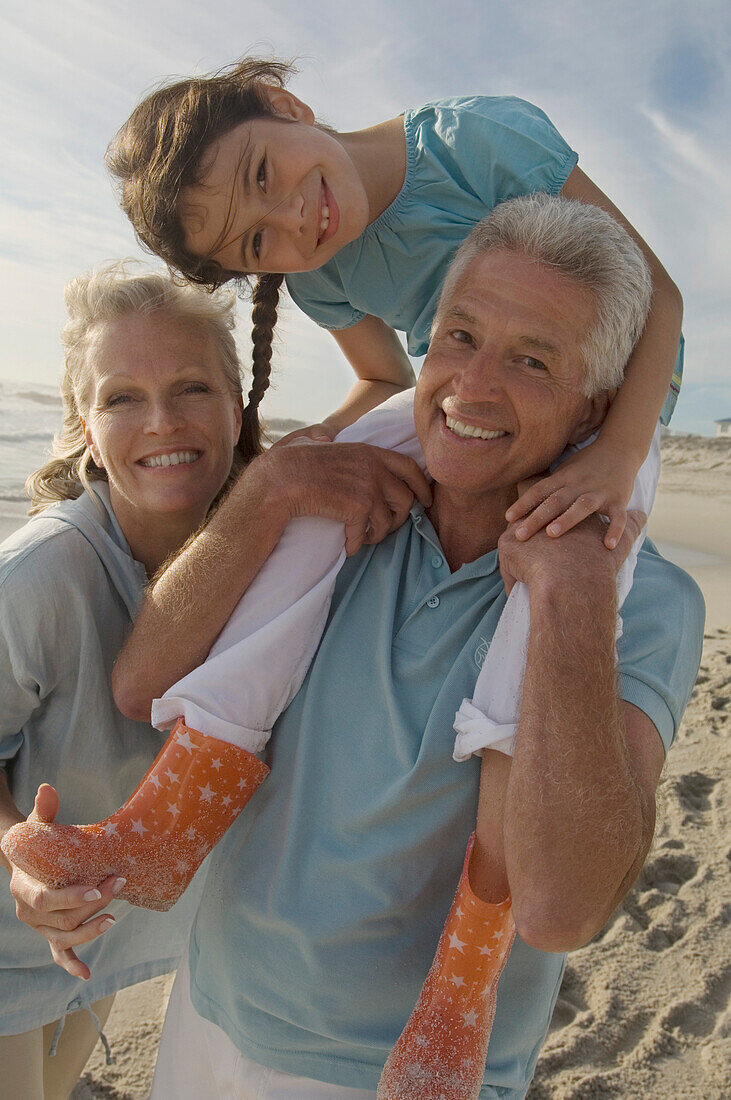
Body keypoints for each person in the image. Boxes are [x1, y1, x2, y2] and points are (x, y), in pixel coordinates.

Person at [133, 196, 701, 1099]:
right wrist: (265, 489)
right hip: (209, 1011)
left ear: (595, 406)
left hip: (398, 1078)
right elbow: (142, 684)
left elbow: (562, 910)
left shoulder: (648, 602)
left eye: (531, 360)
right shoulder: (333, 505)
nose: (472, 387)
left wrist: (570, 598)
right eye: (459, 337)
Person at [0, 262, 428, 1098]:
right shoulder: (43, 577)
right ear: (87, 427)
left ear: (239, 406)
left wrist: (315, 249)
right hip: (10, 946)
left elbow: (390, 380)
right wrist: (17, 851)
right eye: (122, 397)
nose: (162, 421)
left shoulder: (272, 529)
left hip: (112, 949)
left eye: (192, 387)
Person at [107, 55, 684, 549]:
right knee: (314, 509)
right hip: (470, 395)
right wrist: (326, 432)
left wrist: (620, 451)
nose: (292, 219)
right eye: (258, 242)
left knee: (579, 540)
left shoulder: (470, 143)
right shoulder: (317, 275)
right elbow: (385, 380)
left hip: (619, 379)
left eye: (262, 174)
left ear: (282, 104)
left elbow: (662, 296)